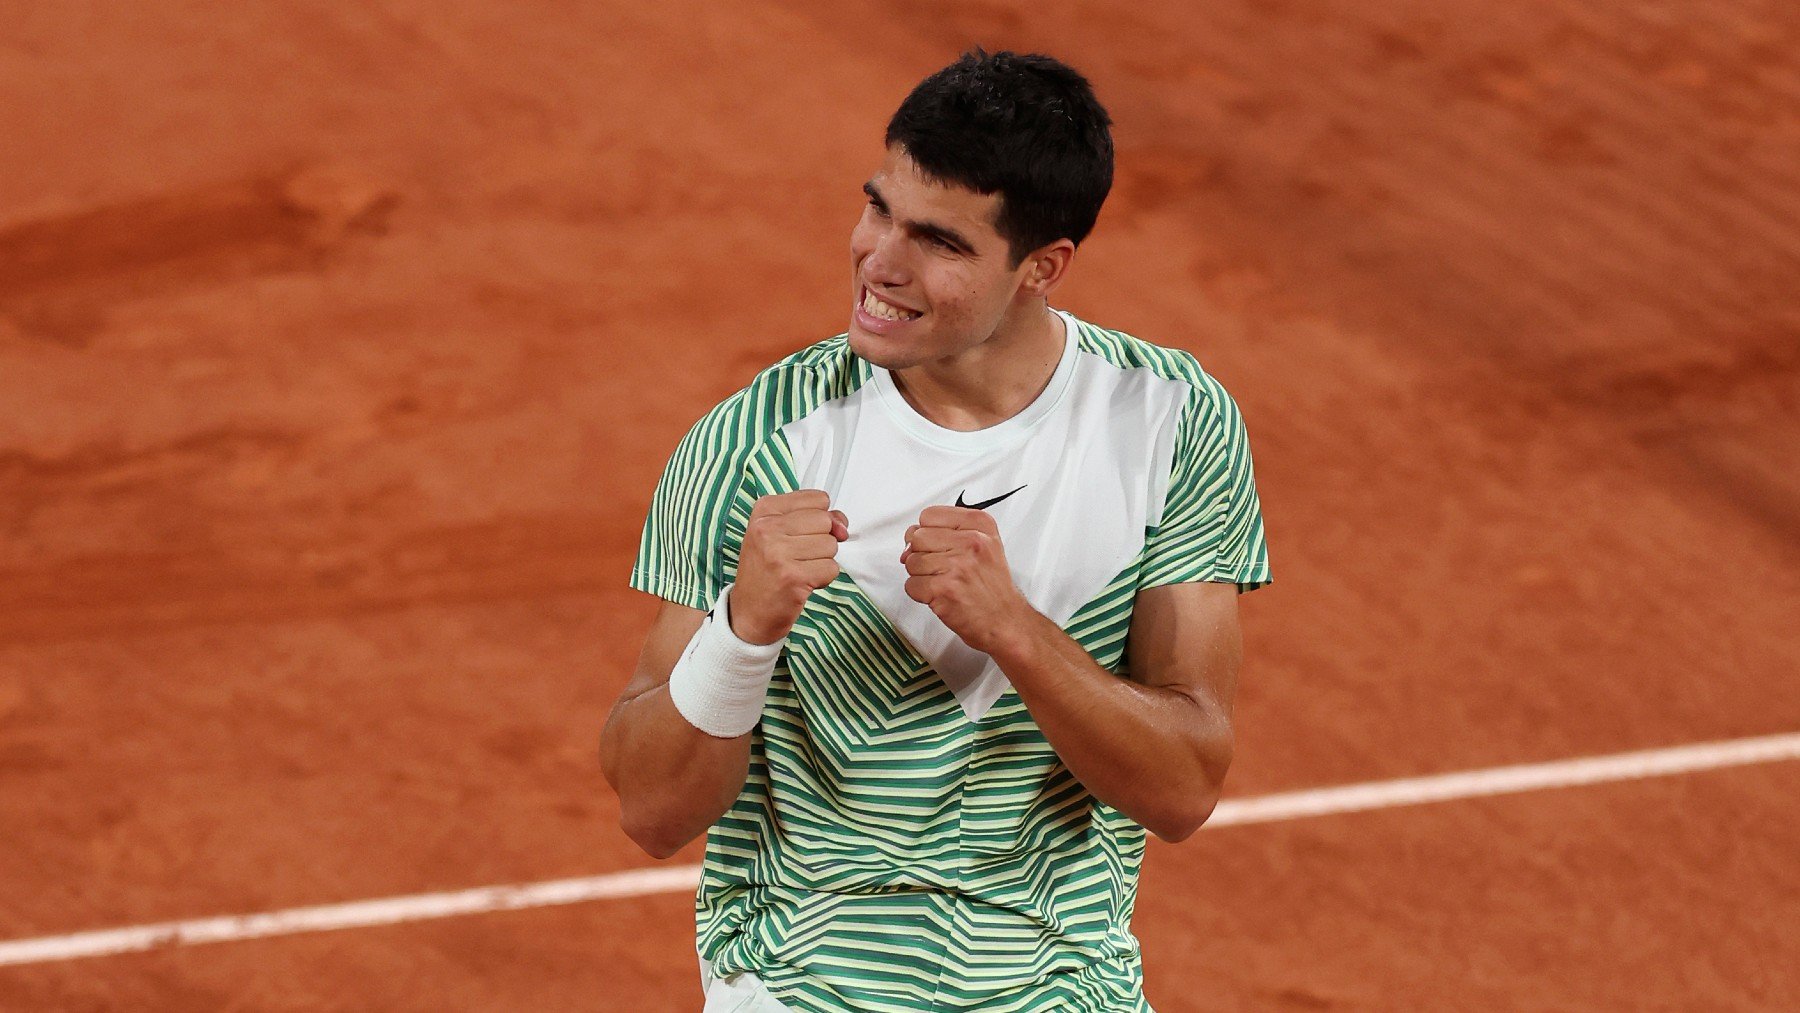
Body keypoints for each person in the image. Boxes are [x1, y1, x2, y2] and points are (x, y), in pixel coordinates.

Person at [600, 48, 1272, 1012]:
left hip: (1059, 985)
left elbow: (1182, 790)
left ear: (1042, 266)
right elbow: (652, 811)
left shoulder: (1168, 422)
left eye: (940, 242)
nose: (881, 260)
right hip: (799, 982)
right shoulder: (757, 441)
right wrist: (743, 628)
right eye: (879, 207)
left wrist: (1015, 631)